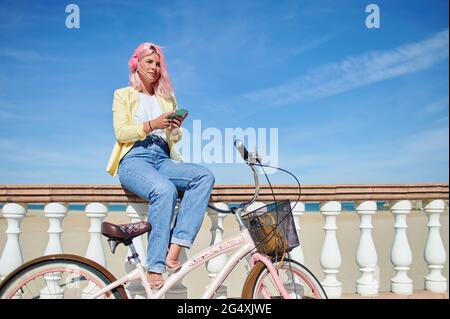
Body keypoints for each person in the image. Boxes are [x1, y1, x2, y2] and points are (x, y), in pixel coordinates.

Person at [106, 42, 215, 289]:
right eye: (149, 62)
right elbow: (121, 133)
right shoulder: (122, 94)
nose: (155, 67)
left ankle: (176, 246)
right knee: (164, 190)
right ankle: (155, 266)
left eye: (158, 63)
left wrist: (175, 129)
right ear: (136, 64)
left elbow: (173, 139)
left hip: (162, 157)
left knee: (204, 177)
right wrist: (152, 124)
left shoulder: (167, 98)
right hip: (135, 158)